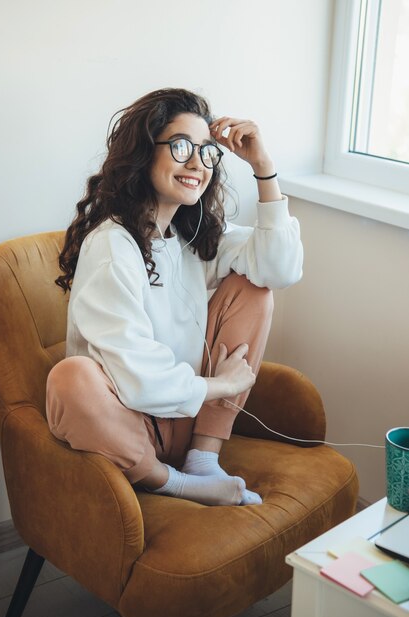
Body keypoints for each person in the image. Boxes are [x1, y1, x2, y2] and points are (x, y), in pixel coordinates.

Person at [46, 87, 303, 507]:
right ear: (145, 152)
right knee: (70, 378)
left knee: (255, 289)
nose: (196, 164)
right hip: (125, 423)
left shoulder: (194, 237)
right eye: (181, 146)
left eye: (205, 152)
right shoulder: (112, 246)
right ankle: (172, 482)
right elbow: (135, 377)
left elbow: (280, 268)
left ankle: (204, 458)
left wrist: (263, 167)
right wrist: (219, 385)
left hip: (185, 420)